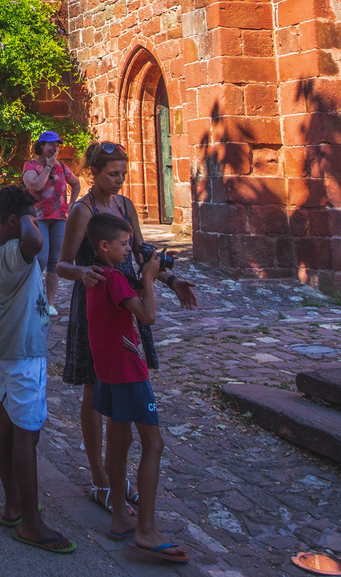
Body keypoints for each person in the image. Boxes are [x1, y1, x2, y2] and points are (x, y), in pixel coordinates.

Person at [56, 140, 198, 519]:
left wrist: (170, 279)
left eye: (122, 173)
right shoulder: (82, 213)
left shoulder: (125, 206)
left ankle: (116, 481)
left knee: (120, 386)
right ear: (94, 173)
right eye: (111, 173)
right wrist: (83, 272)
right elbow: (62, 264)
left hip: (128, 301)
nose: (118, 180)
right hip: (94, 305)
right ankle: (101, 477)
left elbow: (141, 253)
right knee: (93, 387)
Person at [85, 211, 187, 563]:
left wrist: (145, 276)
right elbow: (148, 316)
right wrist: (148, 276)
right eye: (124, 244)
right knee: (153, 444)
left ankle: (118, 517)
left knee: (119, 439)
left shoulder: (96, 277)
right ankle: (145, 529)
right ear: (104, 246)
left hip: (107, 370)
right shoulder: (114, 280)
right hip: (129, 370)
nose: (130, 249)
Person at [0, 184, 72, 554]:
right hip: (22, 351)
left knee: (4, 424)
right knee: (27, 434)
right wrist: (28, 219)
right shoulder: (17, 254)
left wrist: (11, 216)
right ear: (18, 222)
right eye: (31, 218)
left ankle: (12, 504)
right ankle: (31, 523)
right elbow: (35, 244)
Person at [23, 130, 79, 316]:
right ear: (41, 147)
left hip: (60, 218)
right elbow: (35, 186)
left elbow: (76, 183)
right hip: (39, 218)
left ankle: (49, 302)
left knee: (55, 262)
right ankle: (32, 298)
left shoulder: (62, 167)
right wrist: (47, 167)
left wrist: (71, 204)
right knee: (41, 259)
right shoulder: (30, 166)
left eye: (56, 145)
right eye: (50, 145)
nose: (54, 148)